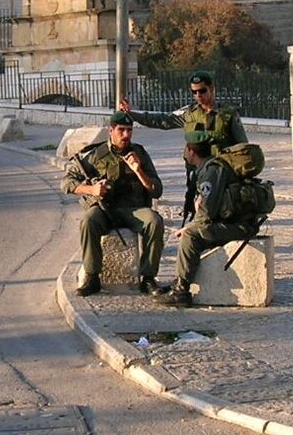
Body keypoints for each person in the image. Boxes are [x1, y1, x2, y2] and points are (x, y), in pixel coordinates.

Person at [119, 70, 247, 224]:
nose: (198, 95)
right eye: (194, 92)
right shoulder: (189, 113)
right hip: (197, 173)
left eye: (202, 91)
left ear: (212, 89)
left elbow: (242, 148)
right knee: (200, 212)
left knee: (222, 212)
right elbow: (162, 120)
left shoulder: (228, 115)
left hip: (222, 174)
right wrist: (132, 115)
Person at [61, 111, 165, 296]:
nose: (126, 135)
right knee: (88, 221)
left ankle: (148, 278)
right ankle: (92, 277)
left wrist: (139, 170)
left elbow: (156, 190)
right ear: (111, 130)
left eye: (130, 130)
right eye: (122, 130)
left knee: (154, 221)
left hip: (134, 209)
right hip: (105, 209)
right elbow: (67, 183)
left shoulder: (139, 153)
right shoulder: (95, 155)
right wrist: (91, 190)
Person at [155, 130, 257, 308]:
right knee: (195, 231)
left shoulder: (211, 171)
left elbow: (207, 212)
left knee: (191, 235)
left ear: (190, 151)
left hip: (240, 226)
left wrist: (189, 227)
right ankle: (181, 278)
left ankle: (181, 290)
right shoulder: (210, 167)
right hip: (235, 222)